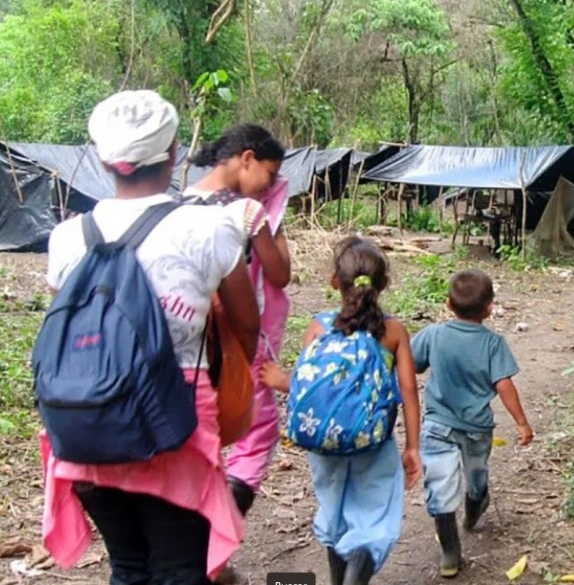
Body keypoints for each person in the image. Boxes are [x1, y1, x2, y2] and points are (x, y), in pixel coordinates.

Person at [40, 90, 260, 583]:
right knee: (180, 566)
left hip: (83, 422)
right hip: (173, 419)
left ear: (104, 160)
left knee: (128, 565)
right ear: (175, 151)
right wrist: (232, 381)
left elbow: (66, 323)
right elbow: (247, 325)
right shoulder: (211, 227)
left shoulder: (67, 236)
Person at [261, 237, 422, 585]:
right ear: (384, 284)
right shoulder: (393, 331)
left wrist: (277, 379)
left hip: (324, 443)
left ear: (335, 281)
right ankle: (360, 562)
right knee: (374, 514)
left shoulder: (319, 326)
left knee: (333, 512)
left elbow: (307, 385)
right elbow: (409, 391)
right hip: (373, 442)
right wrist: (412, 446)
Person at [184, 124, 291, 525]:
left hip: (187, 345)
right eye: (270, 173)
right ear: (247, 158)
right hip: (234, 342)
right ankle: (218, 533)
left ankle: (196, 529)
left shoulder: (179, 202)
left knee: (202, 436)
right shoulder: (247, 211)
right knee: (258, 432)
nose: (271, 185)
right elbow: (279, 274)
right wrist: (273, 219)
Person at [411, 269, 534, 578]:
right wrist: (521, 423)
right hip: (477, 429)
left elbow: (412, 364)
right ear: (489, 309)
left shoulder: (433, 334)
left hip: (437, 425)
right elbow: (504, 385)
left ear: (448, 303)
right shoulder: (493, 344)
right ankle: (474, 507)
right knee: (476, 475)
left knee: (439, 486)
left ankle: (450, 550)